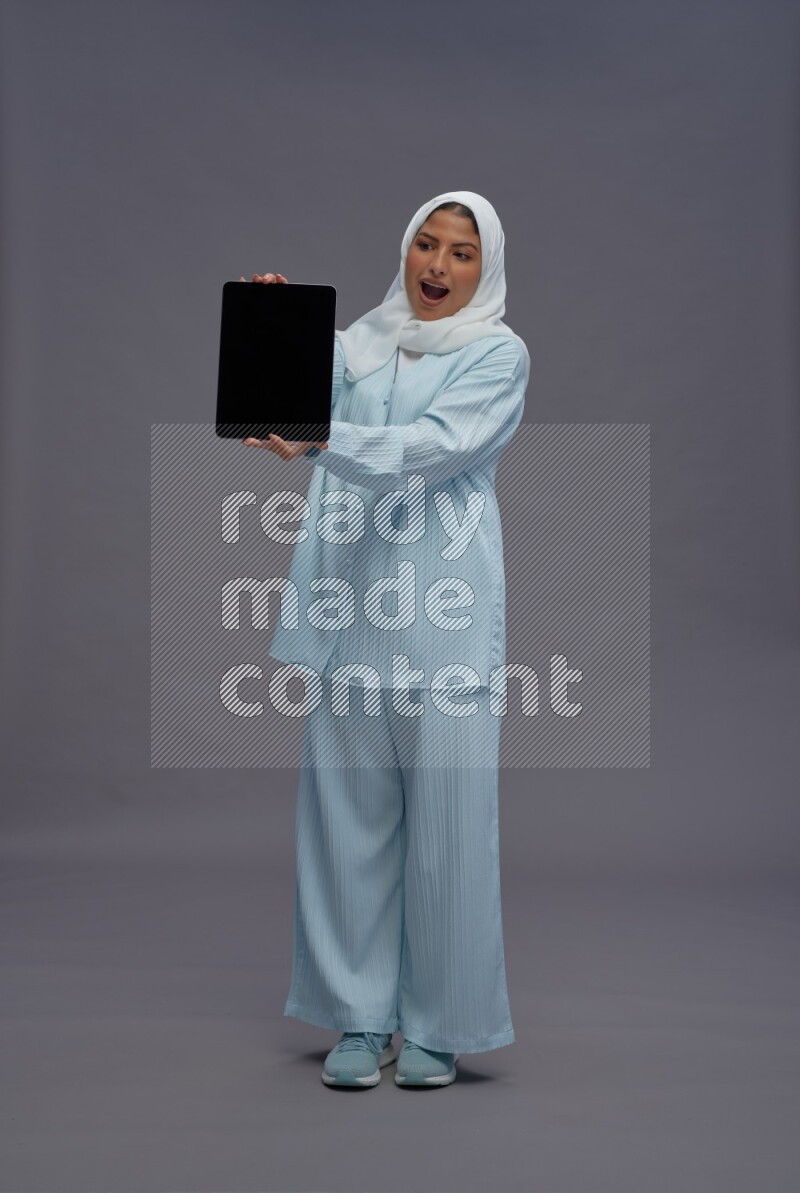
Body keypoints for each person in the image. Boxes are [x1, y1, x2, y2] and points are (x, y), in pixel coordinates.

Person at [241, 190, 530, 1089]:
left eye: (461, 253)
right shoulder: (359, 346)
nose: (438, 266)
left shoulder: (498, 355)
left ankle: (440, 1023)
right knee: (346, 830)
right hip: (350, 614)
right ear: (405, 250)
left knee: (449, 836)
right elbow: (291, 402)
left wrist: (321, 441)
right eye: (426, 244)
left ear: (486, 268)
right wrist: (275, 327)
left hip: (443, 623)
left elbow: (431, 448)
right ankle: (360, 1017)